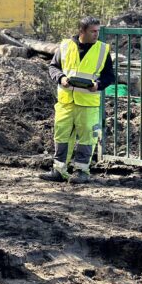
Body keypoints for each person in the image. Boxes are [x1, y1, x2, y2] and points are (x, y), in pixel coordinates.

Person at [40, 16, 114, 185]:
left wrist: (98, 84)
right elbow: (53, 67)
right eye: (93, 31)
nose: (97, 34)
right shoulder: (65, 46)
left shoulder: (102, 50)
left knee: (87, 138)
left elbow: (109, 76)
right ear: (82, 31)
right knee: (61, 136)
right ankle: (59, 170)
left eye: (98, 31)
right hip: (66, 101)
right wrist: (61, 78)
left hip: (88, 103)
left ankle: (81, 171)